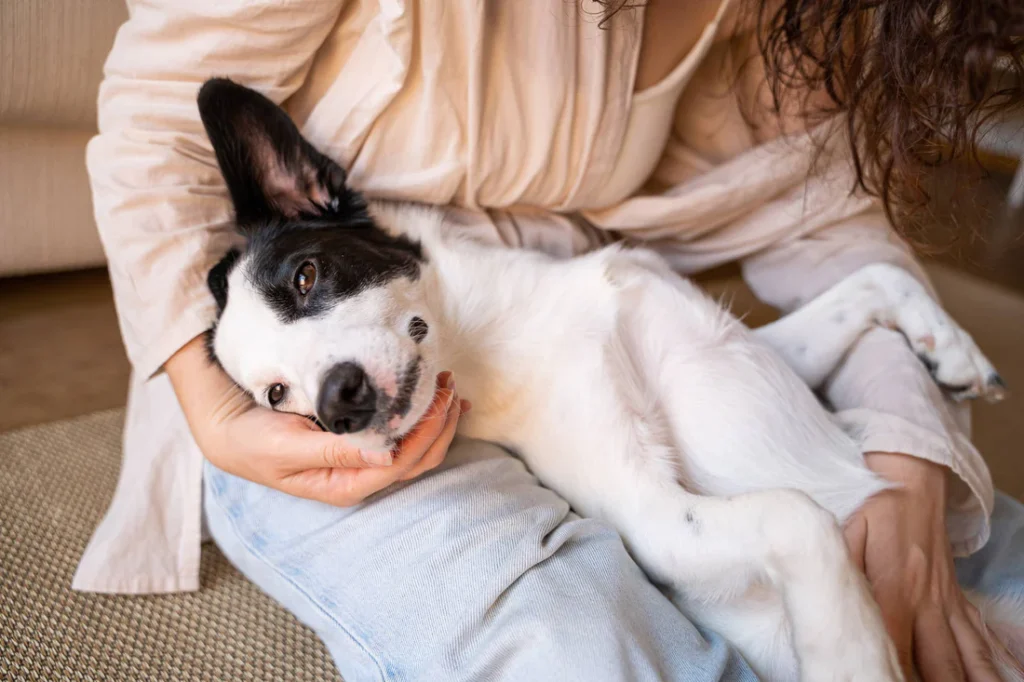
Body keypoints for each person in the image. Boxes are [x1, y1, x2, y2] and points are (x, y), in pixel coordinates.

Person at [78, 0, 1024, 679]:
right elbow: (156, 118)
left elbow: (820, 215)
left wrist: (907, 452)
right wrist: (215, 407)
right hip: (304, 441)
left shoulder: (784, 18)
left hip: (559, 324)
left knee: (954, 562)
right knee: (575, 641)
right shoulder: (290, 341)